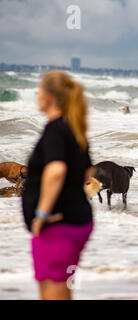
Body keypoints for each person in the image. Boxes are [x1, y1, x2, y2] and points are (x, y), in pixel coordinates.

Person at [22, 70, 94, 300]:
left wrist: (42, 213)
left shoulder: (56, 129)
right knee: (54, 286)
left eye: (39, 90)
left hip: (58, 224)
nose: (37, 95)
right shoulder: (74, 129)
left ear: (49, 97)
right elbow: (87, 171)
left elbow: (57, 170)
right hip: (74, 220)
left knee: (54, 289)